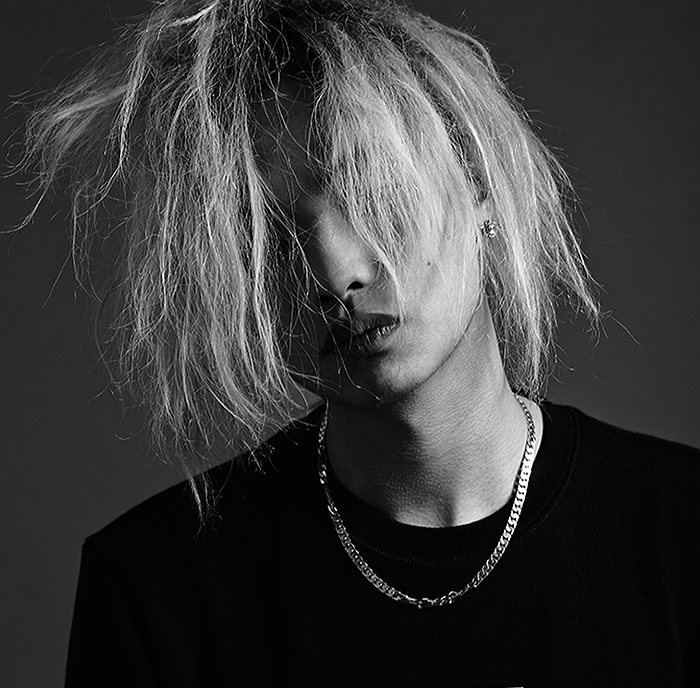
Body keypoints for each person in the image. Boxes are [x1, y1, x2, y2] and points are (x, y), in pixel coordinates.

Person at [23, 0, 697, 685]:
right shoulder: (156, 591)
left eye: (369, 190)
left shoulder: (681, 529)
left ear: (476, 183)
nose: (334, 272)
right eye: (266, 236)